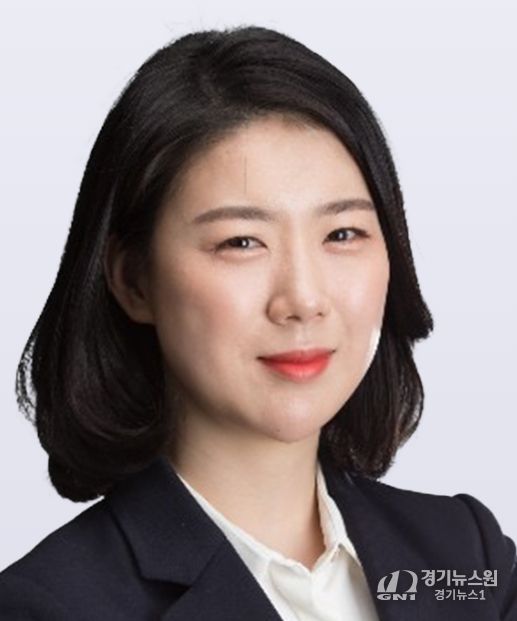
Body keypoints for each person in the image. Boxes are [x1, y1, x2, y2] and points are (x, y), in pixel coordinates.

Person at [0, 24, 515, 621]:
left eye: (342, 233)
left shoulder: (461, 555)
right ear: (133, 280)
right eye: (241, 242)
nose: (303, 300)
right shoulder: (51, 607)